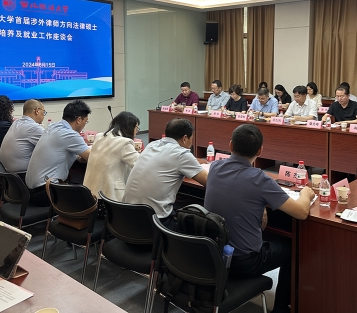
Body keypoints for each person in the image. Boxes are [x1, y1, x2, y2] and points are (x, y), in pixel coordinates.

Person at [204, 124, 315, 313]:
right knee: (293, 248)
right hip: (244, 263)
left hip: (212, 255)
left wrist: (261, 203)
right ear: (260, 151)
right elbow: (302, 212)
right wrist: (306, 193)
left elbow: (235, 190)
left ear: (230, 145)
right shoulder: (260, 179)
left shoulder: (215, 166)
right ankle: (281, 309)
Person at [123, 118, 207, 229]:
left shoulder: (152, 145)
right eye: (191, 138)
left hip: (126, 219)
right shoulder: (182, 154)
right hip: (153, 224)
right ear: (185, 138)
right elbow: (209, 182)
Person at [25, 100, 91, 206]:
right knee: (88, 197)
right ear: (79, 119)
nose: (84, 125)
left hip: (30, 191)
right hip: (45, 193)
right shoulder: (69, 134)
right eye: (85, 121)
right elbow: (93, 157)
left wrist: (78, 156)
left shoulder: (52, 127)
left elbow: (60, 151)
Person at [83, 111, 140, 201]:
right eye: (136, 128)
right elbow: (140, 165)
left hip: (89, 193)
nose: (136, 132)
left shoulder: (99, 137)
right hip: (108, 197)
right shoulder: (124, 143)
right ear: (129, 126)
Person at [0, 99, 46, 174]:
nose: (44, 116)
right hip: (22, 174)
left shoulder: (16, 122)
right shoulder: (33, 127)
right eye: (44, 112)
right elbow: (51, 145)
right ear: (37, 111)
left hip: (7, 173)